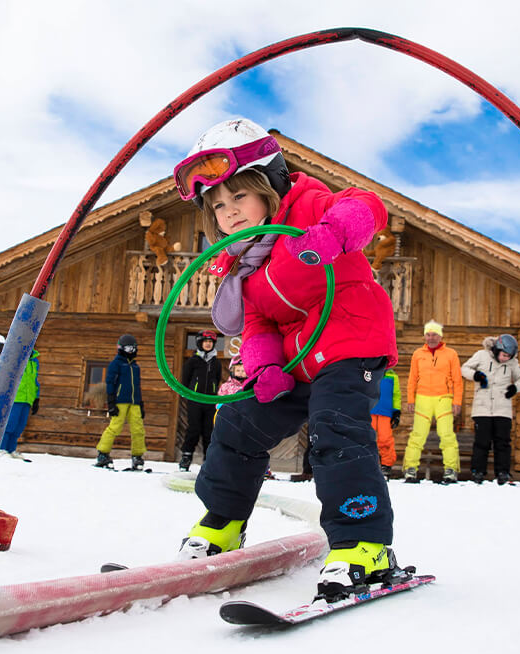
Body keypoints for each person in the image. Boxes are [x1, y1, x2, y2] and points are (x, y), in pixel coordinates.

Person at [171, 117, 400, 602]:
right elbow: (258, 324)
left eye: (238, 198)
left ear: (268, 188)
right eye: (217, 206)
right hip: (297, 361)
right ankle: (223, 523)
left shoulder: (309, 207)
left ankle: (365, 545)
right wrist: (264, 368)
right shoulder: (243, 264)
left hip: (349, 340)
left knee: (334, 425)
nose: (228, 213)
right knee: (237, 419)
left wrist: (334, 233)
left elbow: (366, 206)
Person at [402, 320, 463, 484]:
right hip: (422, 398)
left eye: (434, 334)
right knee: (417, 435)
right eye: (428, 334)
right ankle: (410, 469)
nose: (431, 338)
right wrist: (410, 399)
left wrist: (457, 401)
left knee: (447, 435)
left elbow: (457, 380)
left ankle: (450, 469)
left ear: (440, 336)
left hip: (444, 398)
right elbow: (412, 378)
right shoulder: (417, 354)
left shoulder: (451, 354)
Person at [461, 335, 520, 485]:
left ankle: (502, 472)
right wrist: (475, 375)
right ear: (497, 350)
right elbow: (464, 368)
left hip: (502, 409)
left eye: (508, 356)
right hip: (482, 408)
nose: (505, 358)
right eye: (504, 355)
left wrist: (514, 388)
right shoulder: (481, 355)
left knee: (502, 442)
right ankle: (478, 472)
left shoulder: (513, 363)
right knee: (481, 442)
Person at [95, 334, 146, 470]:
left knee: (138, 429)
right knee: (115, 427)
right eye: (129, 348)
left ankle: (137, 456)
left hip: (134, 402)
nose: (131, 351)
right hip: (120, 401)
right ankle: (103, 453)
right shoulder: (116, 364)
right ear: (121, 348)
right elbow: (110, 382)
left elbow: (137, 386)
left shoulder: (135, 367)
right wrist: (111, 401)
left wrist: (141, 404)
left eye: (133, 348)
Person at [179, 330, 222, 471]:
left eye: (211, 342)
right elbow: (185, 379)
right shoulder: (193, 361)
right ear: (200, 343)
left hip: (210, 401)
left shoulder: (216, 363)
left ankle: (208, 460)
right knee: (194, 429)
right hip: (195, 401)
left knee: (209, 431)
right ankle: (186, 457)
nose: (208, 344)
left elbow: (217, 378)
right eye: (206, 342)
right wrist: (188, 395)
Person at [0, 348, 40, 460]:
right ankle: (2, 448)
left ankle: (11, 449)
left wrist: (36, 398)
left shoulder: (34, 361)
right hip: (15, 397)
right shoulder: (16, 357)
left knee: (20, 425)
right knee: (10, 424)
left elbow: (35, 380)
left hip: (28, 398)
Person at [370, 367, 401, 477]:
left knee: (385, 439)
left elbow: (396, 395)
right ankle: (368, 463)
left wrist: (396, 412)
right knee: (367, 438)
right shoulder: (369, 372)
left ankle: (386, 465)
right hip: (370, 411)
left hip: (386, 412)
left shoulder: (393, 376)